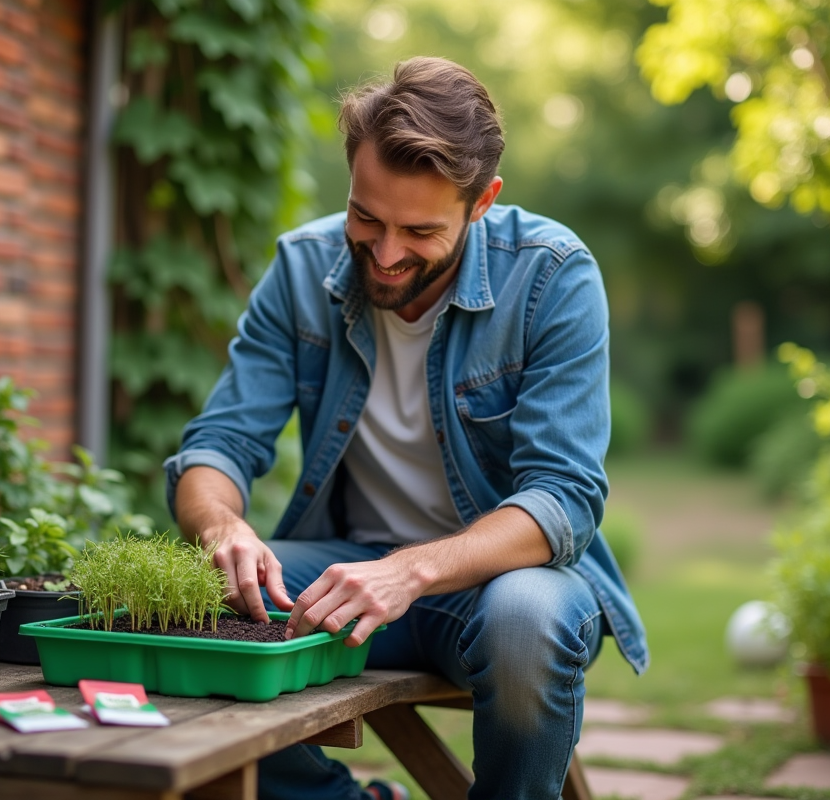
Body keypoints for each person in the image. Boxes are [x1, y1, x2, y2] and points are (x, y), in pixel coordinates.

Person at [164, 56, 648, 800]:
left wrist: (408, 572)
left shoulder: (552, 275)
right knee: (181, 600)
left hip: (502, 587)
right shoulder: (301, 270)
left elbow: (564, 499)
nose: (385, 255)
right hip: (348, 573)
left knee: (526, 619)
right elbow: (218, 445)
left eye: (420, 230)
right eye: (367, 218)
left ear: (481, 201)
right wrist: (221, 527)